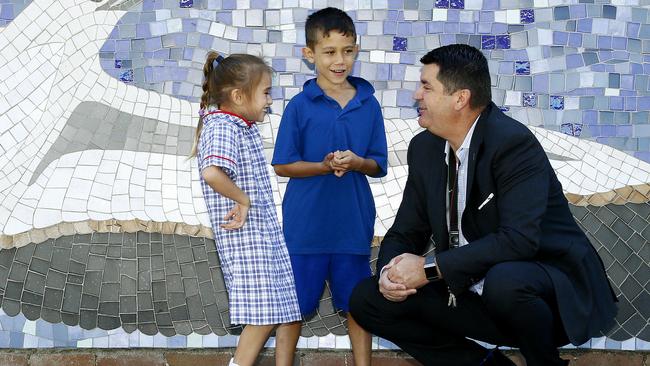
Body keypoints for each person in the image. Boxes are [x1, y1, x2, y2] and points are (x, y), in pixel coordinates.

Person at [349, 44, 617, 366]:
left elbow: (519, 240)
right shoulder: (424, 148)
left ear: (460, 98)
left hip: (547, 298)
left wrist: (430, 270)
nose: (416, 95)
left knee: (506, 282)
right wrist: (390, 274)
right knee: (367, 298)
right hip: (469, 290)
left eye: (426, 86)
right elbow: (406, 231)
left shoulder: (512, 144)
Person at [271, 7, 388, 366]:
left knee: (358, 305)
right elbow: (282, 165)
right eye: (330, 52)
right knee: (292, 307)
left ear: (356, 50)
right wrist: (322, 166)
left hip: (352, 223)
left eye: (348, 50)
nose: (341, 60)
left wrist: (356, 162)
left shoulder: (369, 104)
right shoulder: (299, 106)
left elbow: (378, 164)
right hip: (305, 227)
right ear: (310, 55)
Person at [190, 52, 302, 366]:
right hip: (246, 240)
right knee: (264, 313)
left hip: (259, 237)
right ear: (239, 96)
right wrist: (243, 199)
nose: (269, 100)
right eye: (265, 92)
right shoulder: (224, 127)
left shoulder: (238, 126)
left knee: (274, 310)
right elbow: (212, 172)